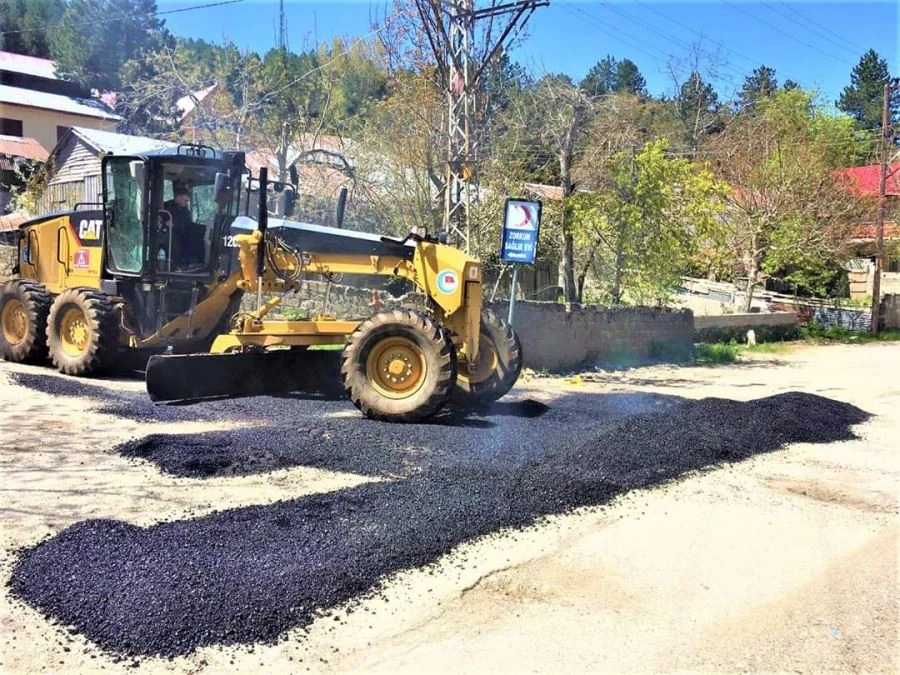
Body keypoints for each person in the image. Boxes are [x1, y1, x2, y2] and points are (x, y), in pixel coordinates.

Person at [162, 186, 203, 268]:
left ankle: (197, 263)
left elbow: (188, 224)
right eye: (185, 200)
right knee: (174, 242)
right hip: (170, 235)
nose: (187, 202)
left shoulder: (185, 211)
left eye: (187, 201)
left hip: (183, 234)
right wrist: (165, 223)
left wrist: (202, 229)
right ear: (178, 197)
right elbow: (158, 220)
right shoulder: (166, 206)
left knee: (200, 238)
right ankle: (175, 266)